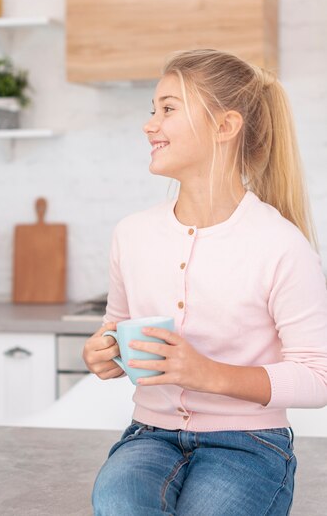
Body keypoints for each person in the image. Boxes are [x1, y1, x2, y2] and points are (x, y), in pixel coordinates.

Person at [83, 49, 327, 515]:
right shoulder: (131, 233)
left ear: (224, 127)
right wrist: (103, 349)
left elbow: (318, 376)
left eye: (168, 109)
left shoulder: (281, 244)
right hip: (149, 436)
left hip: (248, 444)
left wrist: (206, 374)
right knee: (118, 502)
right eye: (153, 110)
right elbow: (116, 325)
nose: (150, 124)